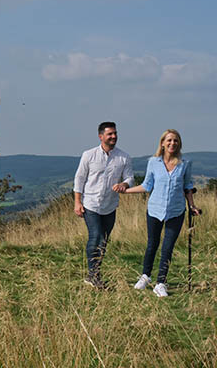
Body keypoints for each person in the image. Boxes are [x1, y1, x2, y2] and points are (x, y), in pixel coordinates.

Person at [119, 129, 201, 297]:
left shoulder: (185, 163)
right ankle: (145, 276)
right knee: (152, 244)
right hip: (155, 209)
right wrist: (125, 191)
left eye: (175, 141)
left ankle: (161, 283)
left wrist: (192, 206)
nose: (172, 143)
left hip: (176, 211)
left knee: (167, 247)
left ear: (179, 144)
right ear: (162, 143)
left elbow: (188, 186)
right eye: (169, 140)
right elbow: (147, 185)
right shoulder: (153, 162)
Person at [73, 121, 135, 288]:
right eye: (110, 134)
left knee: (104, 240)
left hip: (110, 205)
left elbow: (130, 177)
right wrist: (77, 202)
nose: (114, 136)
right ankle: (93, 275)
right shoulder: (89, 155)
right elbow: (79, 178)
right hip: (90, 204)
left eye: (115, 133)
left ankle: (94, 272)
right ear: (101, 136)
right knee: (96, 236)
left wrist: (125, 185)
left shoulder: (124, 157)